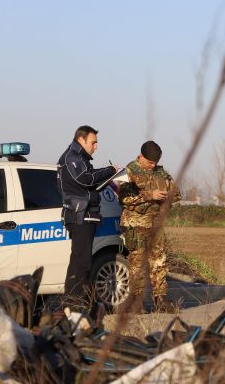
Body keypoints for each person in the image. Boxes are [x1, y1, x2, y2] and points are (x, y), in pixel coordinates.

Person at [57, 125, 118, 310]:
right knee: (82, 262)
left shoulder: (80, 158)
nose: (96, 146)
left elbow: (87, 183)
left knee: (79, 260)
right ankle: (75, 304)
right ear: (81, 140)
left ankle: (73, 302)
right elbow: (85, 178)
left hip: (85, 214)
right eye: (94, 142)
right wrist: (110, 170)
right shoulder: (72, 158)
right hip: (79, 215)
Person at [118, 140, 181, 313]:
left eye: (155, 163)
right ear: (141, 156)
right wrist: (149, 195)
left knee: (159, 262)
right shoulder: (129, 172)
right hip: (136, 224)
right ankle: (136, 302)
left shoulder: (161, 173)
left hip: (156, 224)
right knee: (137, 264)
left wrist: (167, 197)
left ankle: (160, 300)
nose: (152, 166)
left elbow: (176, 193)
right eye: (149, 162)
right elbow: (124, 198)